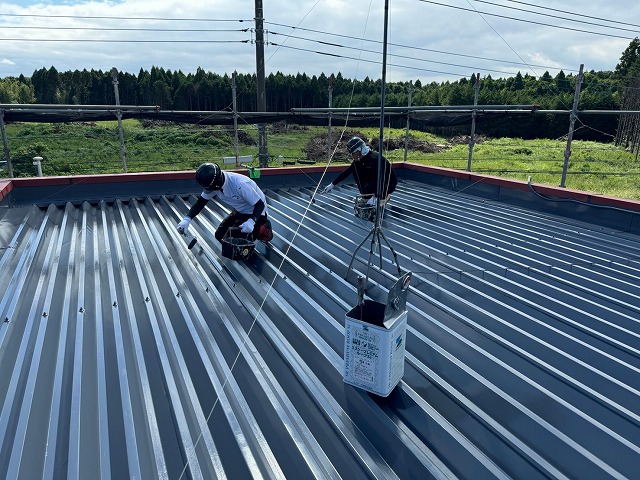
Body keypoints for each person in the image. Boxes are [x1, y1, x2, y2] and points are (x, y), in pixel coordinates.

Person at [177, 162, 273, 243]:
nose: (208, 190)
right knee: (219, 236)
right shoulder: (213, 185)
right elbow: (200, 202)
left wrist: (251, 222)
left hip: (257, 212)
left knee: (234, 241)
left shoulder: (240, 184)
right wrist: (187, 219)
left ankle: (263, 228)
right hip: (240, 211)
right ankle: (250, 229)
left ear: (217, 184)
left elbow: (260, 205)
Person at [322, 136, 397, 205]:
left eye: (353, 153)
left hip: (387, 184)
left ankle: (383, 198)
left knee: (373, 183)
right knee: (356, 170)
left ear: (359, 151)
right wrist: (332, 184)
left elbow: (379, 179)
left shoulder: (375, 159)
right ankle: (366, 197)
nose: (352, 156)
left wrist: (375, 198)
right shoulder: (360, 159)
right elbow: (347, 172)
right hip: (375, 182)